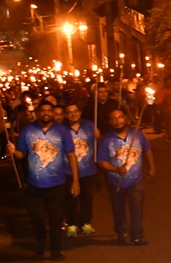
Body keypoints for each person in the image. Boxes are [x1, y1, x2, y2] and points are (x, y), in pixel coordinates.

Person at [8, 99, 80, 261]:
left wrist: (75, 181)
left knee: (56, 219)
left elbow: (71, 155)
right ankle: (41, 242)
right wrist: (13, 151)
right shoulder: (28, 130)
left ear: (53, 113)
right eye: (43, 110)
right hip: (35, 185)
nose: (46, 113)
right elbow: (21, 154)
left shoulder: (62, 131)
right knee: (37, 218)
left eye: (49, 110)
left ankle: (55, 249)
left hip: (57, 184)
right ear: (38, 113)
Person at [98, 108, 156, 246]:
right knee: (118, 208)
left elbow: (147, 150)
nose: (117, 120)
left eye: (120, 117)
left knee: (137, 208)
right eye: (114, 118)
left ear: (126, 118)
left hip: (135, 180)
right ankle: (122, 233)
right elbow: (101, 161)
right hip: (115, 181)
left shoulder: (137, 134)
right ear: (110, 122)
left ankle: (137, 235)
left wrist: (152, 166)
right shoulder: (107, 140)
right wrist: (116, 169)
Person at [64, 103, 99, 237]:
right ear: (66, 115)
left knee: (87, 197)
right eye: (70, 112)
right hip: (68, 170)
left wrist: (98, 136)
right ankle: (72, 224)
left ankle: (85, 222)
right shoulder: (62, 129)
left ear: (80, 112)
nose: (73, 114)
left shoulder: (89, 125)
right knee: (71, 198)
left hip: (88, 170)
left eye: (75, 111)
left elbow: (99, 143)